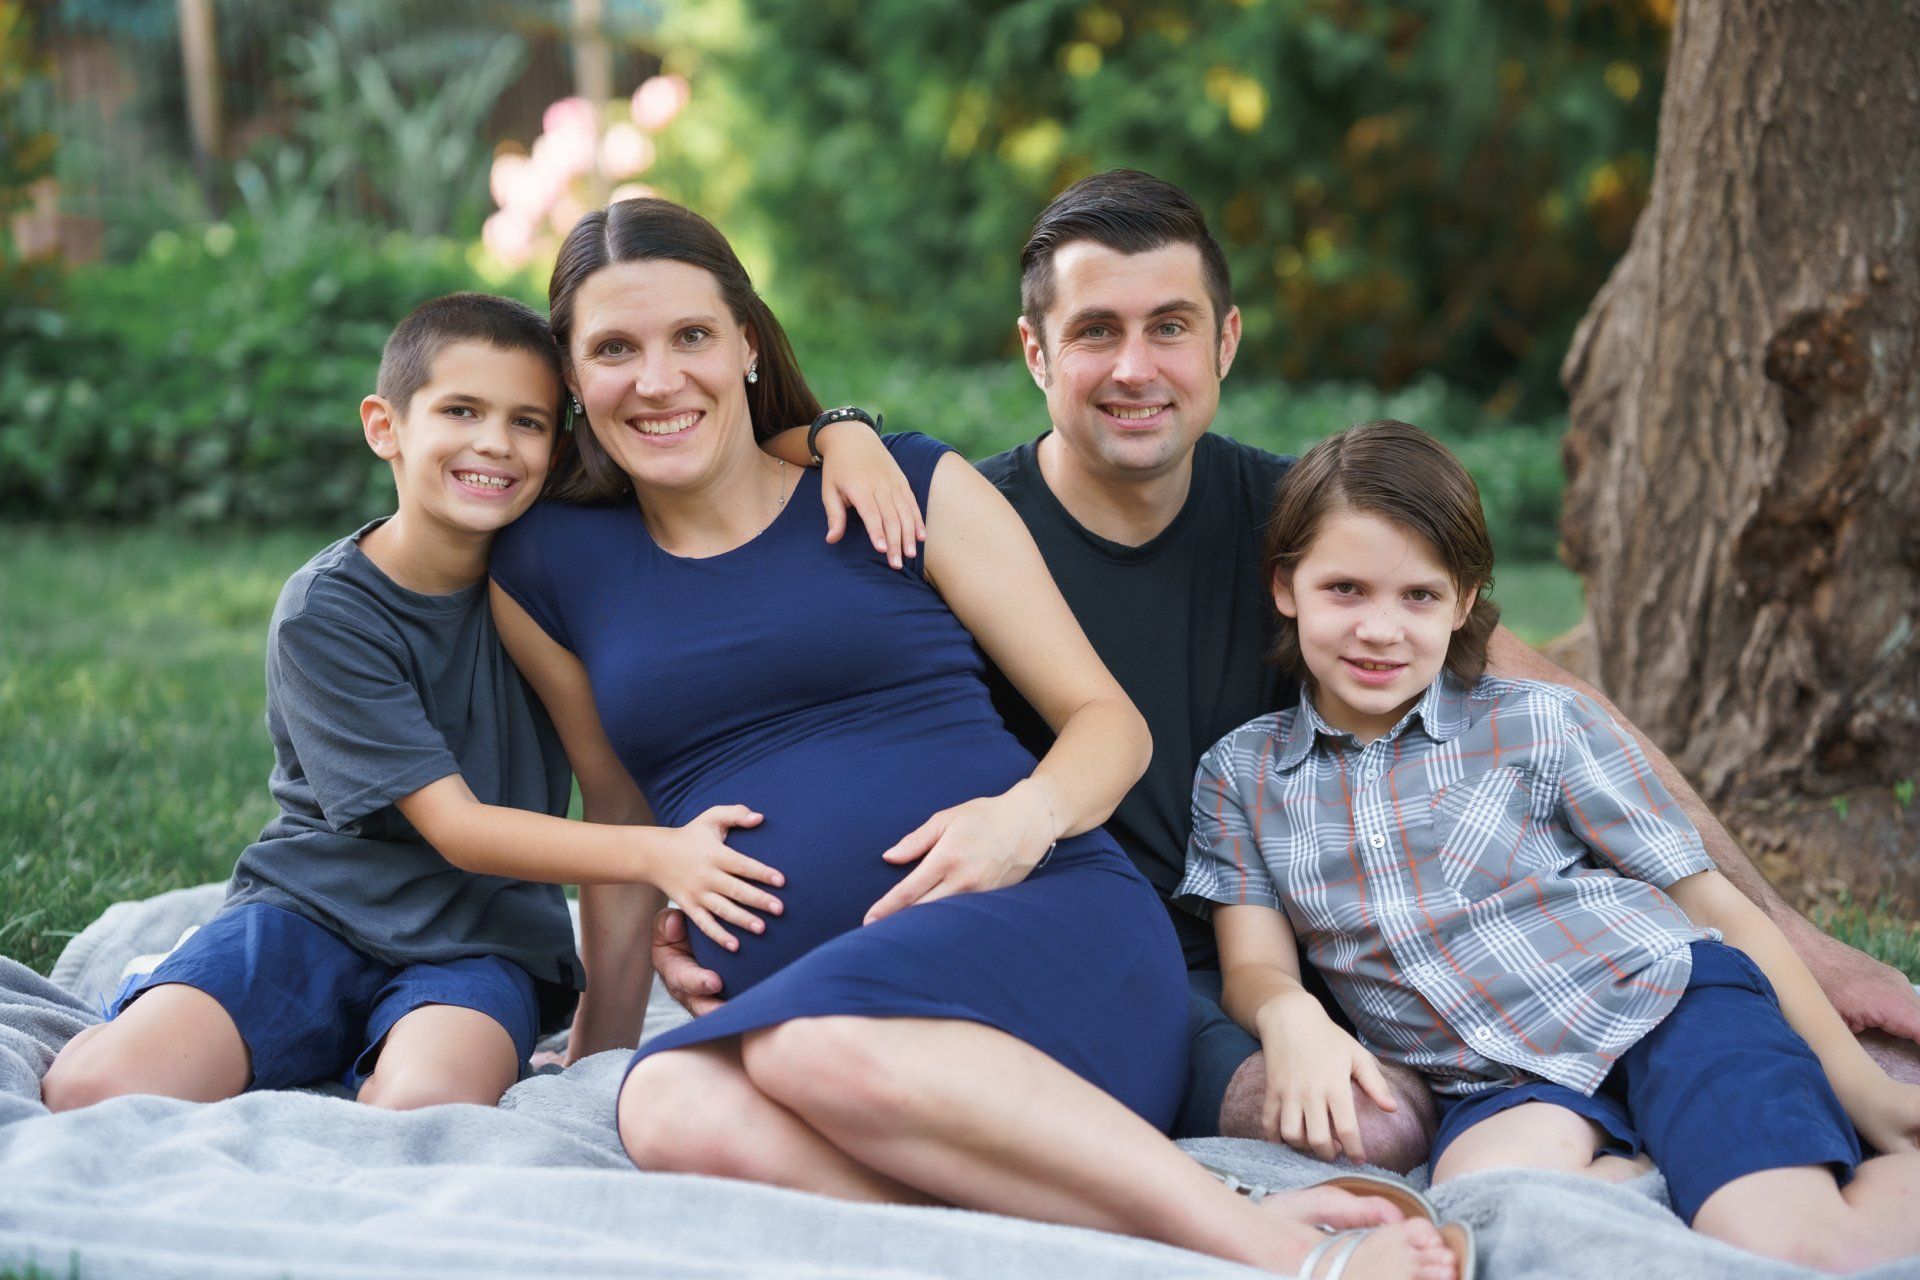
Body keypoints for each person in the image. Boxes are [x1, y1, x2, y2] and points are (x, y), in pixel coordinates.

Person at [649, 166, 1920, 1167]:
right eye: (1095, 331)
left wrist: (1808, 943)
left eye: (1171, 326)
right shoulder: (966, 531)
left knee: (1429, 1095)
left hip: (1331, 942)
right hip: (1105, 947)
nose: (1136, 366)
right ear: (1036, 354)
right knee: (1364, 1128)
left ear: (1228, 340)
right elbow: (773, 661)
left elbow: (1563, 707)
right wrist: (689, 888)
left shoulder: (1305, 524)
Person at [486, 197, 1467, 1280]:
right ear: (572, 379)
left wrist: (1022, 821)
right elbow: (623, 814)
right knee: (664, 1101)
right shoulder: (545, 569)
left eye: (692, 337)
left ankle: (1270, 1246)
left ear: (750, 346)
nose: (659, 379)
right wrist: (602, 1048)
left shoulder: (896, 486)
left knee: (815, 1045)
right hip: (822, 1016)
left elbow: (1110, 724)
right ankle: (1119, 1225)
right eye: (615, 349)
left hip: (1043, 927)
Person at [38, 292, 917, 1113]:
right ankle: (196, 987)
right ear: (386, 426)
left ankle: (356, 1052)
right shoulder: (331, 611)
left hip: (484, 944)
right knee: (97, 1087)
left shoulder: (563, 573)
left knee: (418, 1109)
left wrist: (845, 434)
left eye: (527, 423)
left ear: (560, 446)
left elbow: (728, 461)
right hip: (309, 914)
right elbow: (454, 827)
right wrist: (661, 856)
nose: (494, 444)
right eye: (461, 412)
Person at [1178, 419, 1920, 1272]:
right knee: (1481, 1210)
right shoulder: (1242, 773)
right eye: (1344, 589)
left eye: (1418, 596)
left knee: (1796, 1245)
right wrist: (1290, 1015)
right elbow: (1253, 967)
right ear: (1286, 586)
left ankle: (1748, 1177)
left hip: (1666, 1004)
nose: (1380, 630)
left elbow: (1714, 907)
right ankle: (1653, 1172)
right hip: (1499, 1082)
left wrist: (1865, 1090)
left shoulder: (1537, 723)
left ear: (1463, 604)